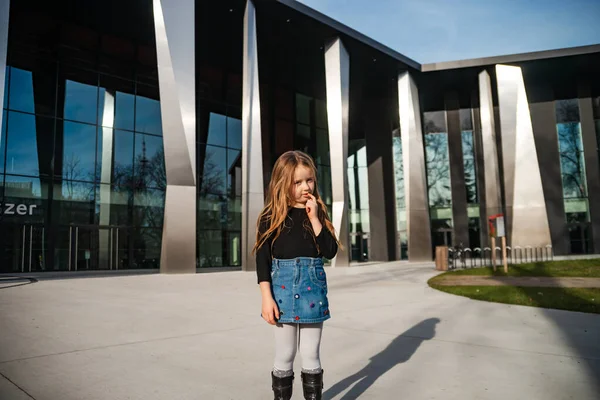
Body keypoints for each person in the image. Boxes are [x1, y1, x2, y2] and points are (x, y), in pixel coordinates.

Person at [253, 150, 340, 400]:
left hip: (313, 292)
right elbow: (262, 260)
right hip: (281, 293)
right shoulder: (270, 217)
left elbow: (330, 251)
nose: (305, 187)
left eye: (309, 180)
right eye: (297, 182)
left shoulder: (317, 212)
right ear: (283, 183)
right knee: (285, 353)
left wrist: (315, 219)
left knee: (311, 353)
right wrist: (266, 298)